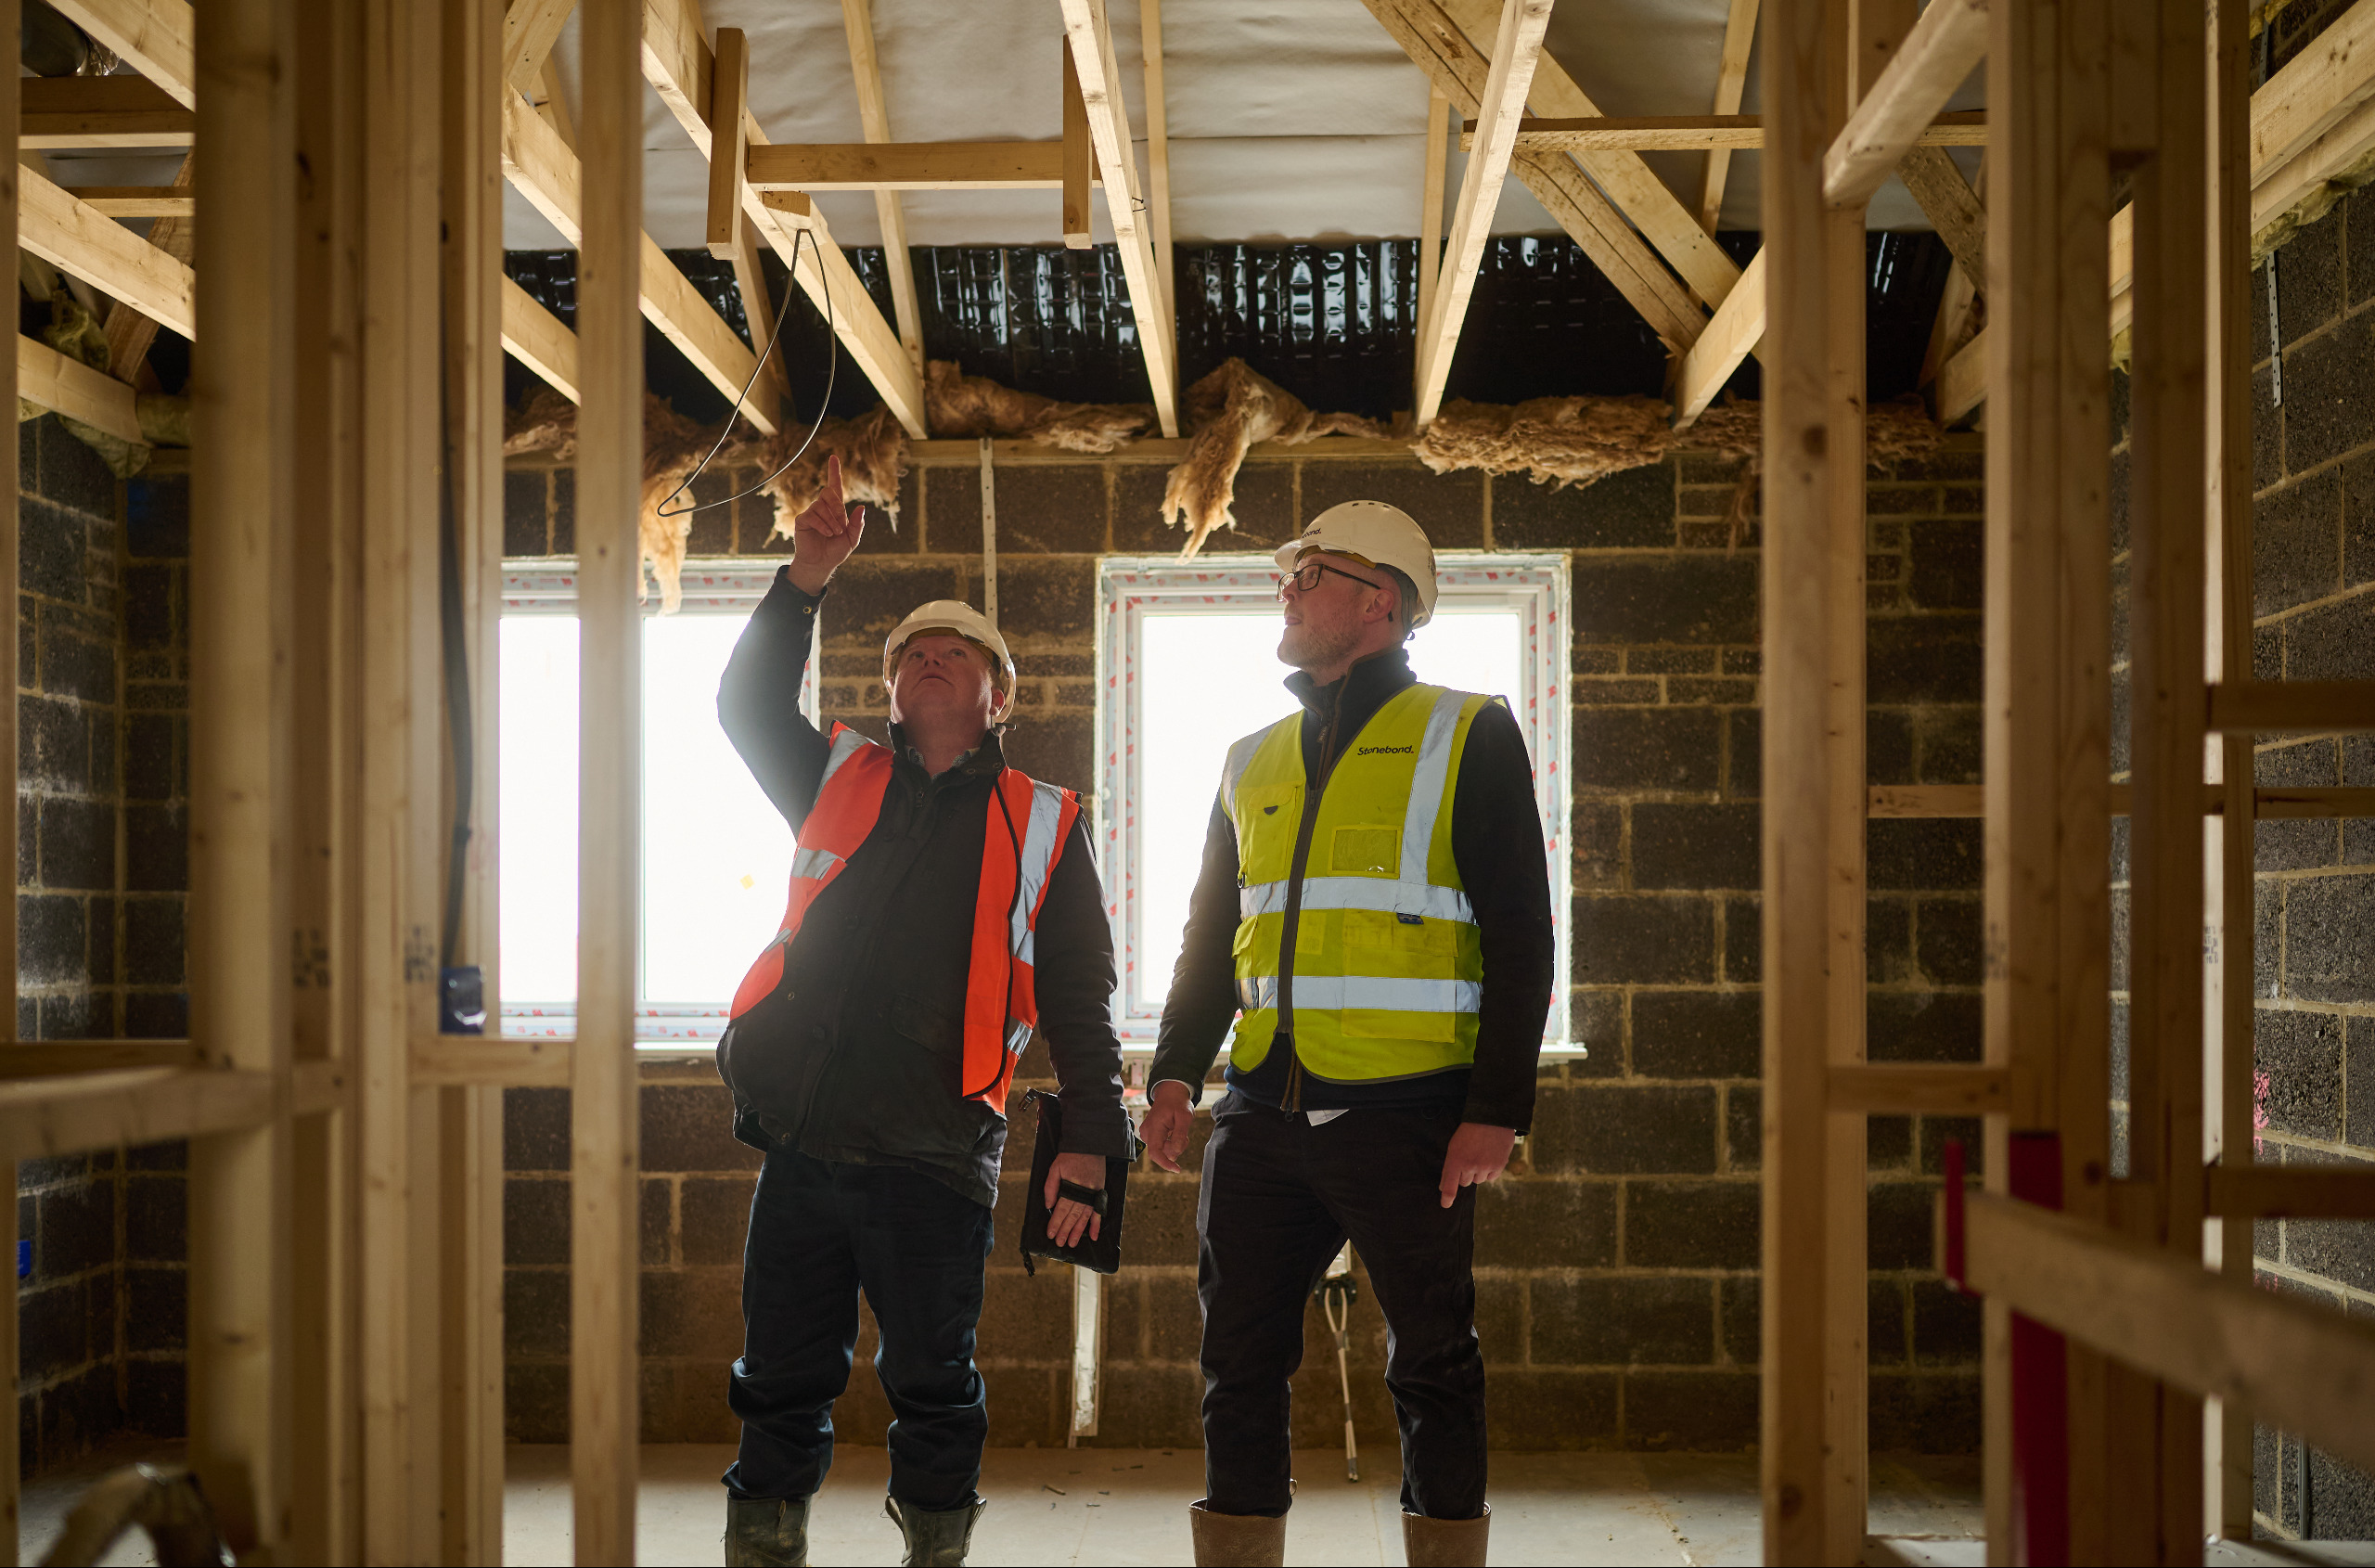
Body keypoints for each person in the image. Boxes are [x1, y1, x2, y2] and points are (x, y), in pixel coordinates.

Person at [712, 456, 1133, 1568]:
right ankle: (764, 1549)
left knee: (933, 1386)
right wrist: (804, 577)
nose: (931, 661)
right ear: (892, 690)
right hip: (802, 1142)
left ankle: (934, 1554)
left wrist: (1094, 1141)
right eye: (912, 654)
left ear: (998, 696)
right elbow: (744, 703)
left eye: (959, 655)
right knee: (777, 1379)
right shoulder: (837, 775)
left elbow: (1082, 999)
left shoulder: (1044, 820)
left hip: (936, 1154)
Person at [1136, 500, 1554, 1568]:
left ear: (1380, 602)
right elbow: (1213, 935)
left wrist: (1496, 1110)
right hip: (1261, 1117)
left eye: (1310, 571)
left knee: (1431, 1360)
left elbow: (1520, 931)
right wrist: (1178, 1071)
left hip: (1408, 1113)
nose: (1288, 586)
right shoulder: (1249, 756)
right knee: (1236, 1361)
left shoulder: (1470, 730)